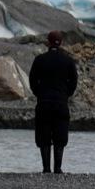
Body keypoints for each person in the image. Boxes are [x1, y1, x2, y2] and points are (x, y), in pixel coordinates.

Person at [28, 30, 78, 174]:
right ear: (61, 42)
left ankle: (46, 168)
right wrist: (65, 94)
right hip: (61, 103)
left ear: (48, 42)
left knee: (44, 136)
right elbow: (74, 81)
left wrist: (39, 93)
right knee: (60, 136)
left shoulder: (39, 60)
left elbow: (32, 81)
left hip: (44, 102)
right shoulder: (68, 60)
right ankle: (58, 168)